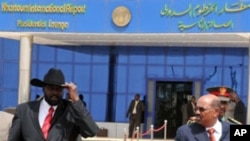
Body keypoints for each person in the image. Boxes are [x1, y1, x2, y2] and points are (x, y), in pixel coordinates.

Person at [8, 68, 99, 141]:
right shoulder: (24, 110)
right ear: (43, 88)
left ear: (64, 90)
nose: (54, 92)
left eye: (58, 89)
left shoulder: (72, 111)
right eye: (51, 88)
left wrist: (76, 100)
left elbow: (91, 131)